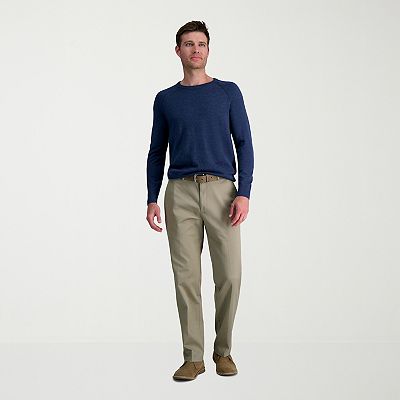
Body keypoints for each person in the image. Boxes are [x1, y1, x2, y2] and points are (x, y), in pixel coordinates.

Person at [145, 20, 254, 381]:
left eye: (201, 44)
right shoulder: (166, 99)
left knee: (230, 275)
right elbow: (156, 151)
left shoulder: (228, 92)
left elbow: (244, 143)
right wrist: (151, 198)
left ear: (208, 50)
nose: (196, 50)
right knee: (186, 278)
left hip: (222, 191)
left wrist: (243, 192)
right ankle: (193, 357)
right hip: (180, 193)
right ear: (178, 51)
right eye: (189, 44)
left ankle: (223, 351)